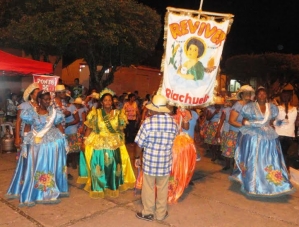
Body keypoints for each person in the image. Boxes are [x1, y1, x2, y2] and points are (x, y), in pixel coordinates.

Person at [6, 90, 69, 206]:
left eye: (49, 99)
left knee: (51, 164)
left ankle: (50, 189)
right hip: (36, 139)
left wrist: (64, 141)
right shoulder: (31, 112)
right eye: (45, 99)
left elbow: (59, 126)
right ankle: (35, 190)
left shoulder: (54, 112)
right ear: (39, 100)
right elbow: (27, 127)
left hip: (51, 140)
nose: (47, 101)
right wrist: (23, 141)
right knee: (35, 164)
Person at [229, 86, 295, 197]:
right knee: (253, 158)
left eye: (264, 94)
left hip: (268, 136)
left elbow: (272, 122)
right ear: (256, 96)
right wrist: (250, 124)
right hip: (253, 136)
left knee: (268, 159)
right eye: (259, 94)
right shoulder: (249, 107)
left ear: (267, 95)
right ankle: (252, 182)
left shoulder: (272, 108)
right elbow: (244, 120)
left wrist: (279, 123)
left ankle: (267, 181)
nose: (262, 95)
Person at [77, 88, 136, 198]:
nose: (108, 102)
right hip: (98, 141)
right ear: (101, 102)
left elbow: (121, 130)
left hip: (113, 142)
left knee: (114, 166)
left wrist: (122, 142)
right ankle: (99, 185)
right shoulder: (96, 113)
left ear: (112, 101)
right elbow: (89, 128)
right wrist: (84, 141)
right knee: (98, 165)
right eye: (105, 100)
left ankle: (111, 184)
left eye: (110, 100)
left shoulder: (118, 114)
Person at [135, 94, 178, 222]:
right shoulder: (173, 123)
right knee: (162, 188)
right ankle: (160, 213)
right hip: (165, 161)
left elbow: (139, 143)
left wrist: (137, 157)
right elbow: (175, 141)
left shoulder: (148, 123)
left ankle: (148, 212)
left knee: (148, 187)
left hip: (150, 161)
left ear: (154, 109)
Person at [274, 84, 299, 170]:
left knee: (283, 157)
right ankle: (282, 174)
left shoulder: (295, 109)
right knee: (284, 157)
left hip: (284, 135)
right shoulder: (278, 108)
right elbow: (297, 123)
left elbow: (272, 122)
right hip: (284, 135)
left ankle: (281, 174)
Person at [14, 83, 40, 160]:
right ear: (31, 95)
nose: (39, 95)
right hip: (26, 135)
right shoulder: (23, 106)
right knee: (26, 157)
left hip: (39, 136)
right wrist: (17, 137)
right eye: (37, 93)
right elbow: (18, 122)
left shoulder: (42, 105)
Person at [204, 96, 225, 162]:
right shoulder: (210, 109)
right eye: (216, 103)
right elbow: (208, 118)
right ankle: (214, 155)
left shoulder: (223, 109)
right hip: (212, 125)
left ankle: (218, 155)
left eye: (219, 104)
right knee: (213, 142)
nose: (218, 105)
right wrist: (214, 113)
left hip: (221, 125)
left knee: (219, 142)